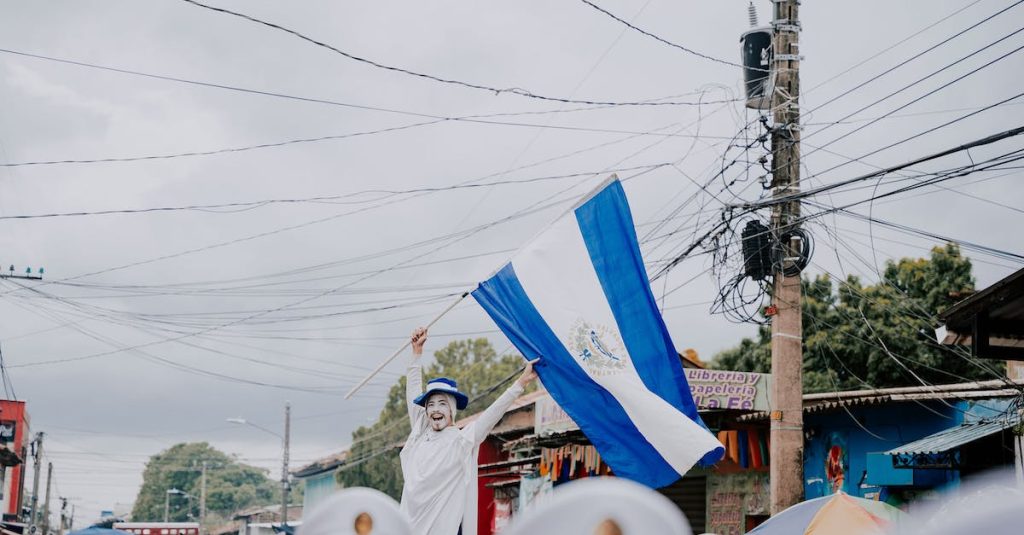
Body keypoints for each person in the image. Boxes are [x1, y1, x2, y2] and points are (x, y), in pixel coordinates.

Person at [399, 326, 538, 535]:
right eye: (431, 404)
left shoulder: (461, 441)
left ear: (452, 410)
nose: (435, 410)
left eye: (442, 404)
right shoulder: (418, 435)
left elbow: (491, 415)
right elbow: (413, 396)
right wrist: (416, 354)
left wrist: (520, 384)